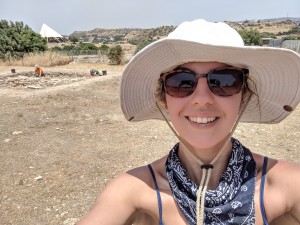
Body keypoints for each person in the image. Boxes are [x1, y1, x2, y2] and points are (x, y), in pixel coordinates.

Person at [78, 19, 300, 225]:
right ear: (163, 98)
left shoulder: (287, 183)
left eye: (224, 80)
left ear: (244, 96)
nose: (202, 99)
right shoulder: (134, 190)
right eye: (181, 82)